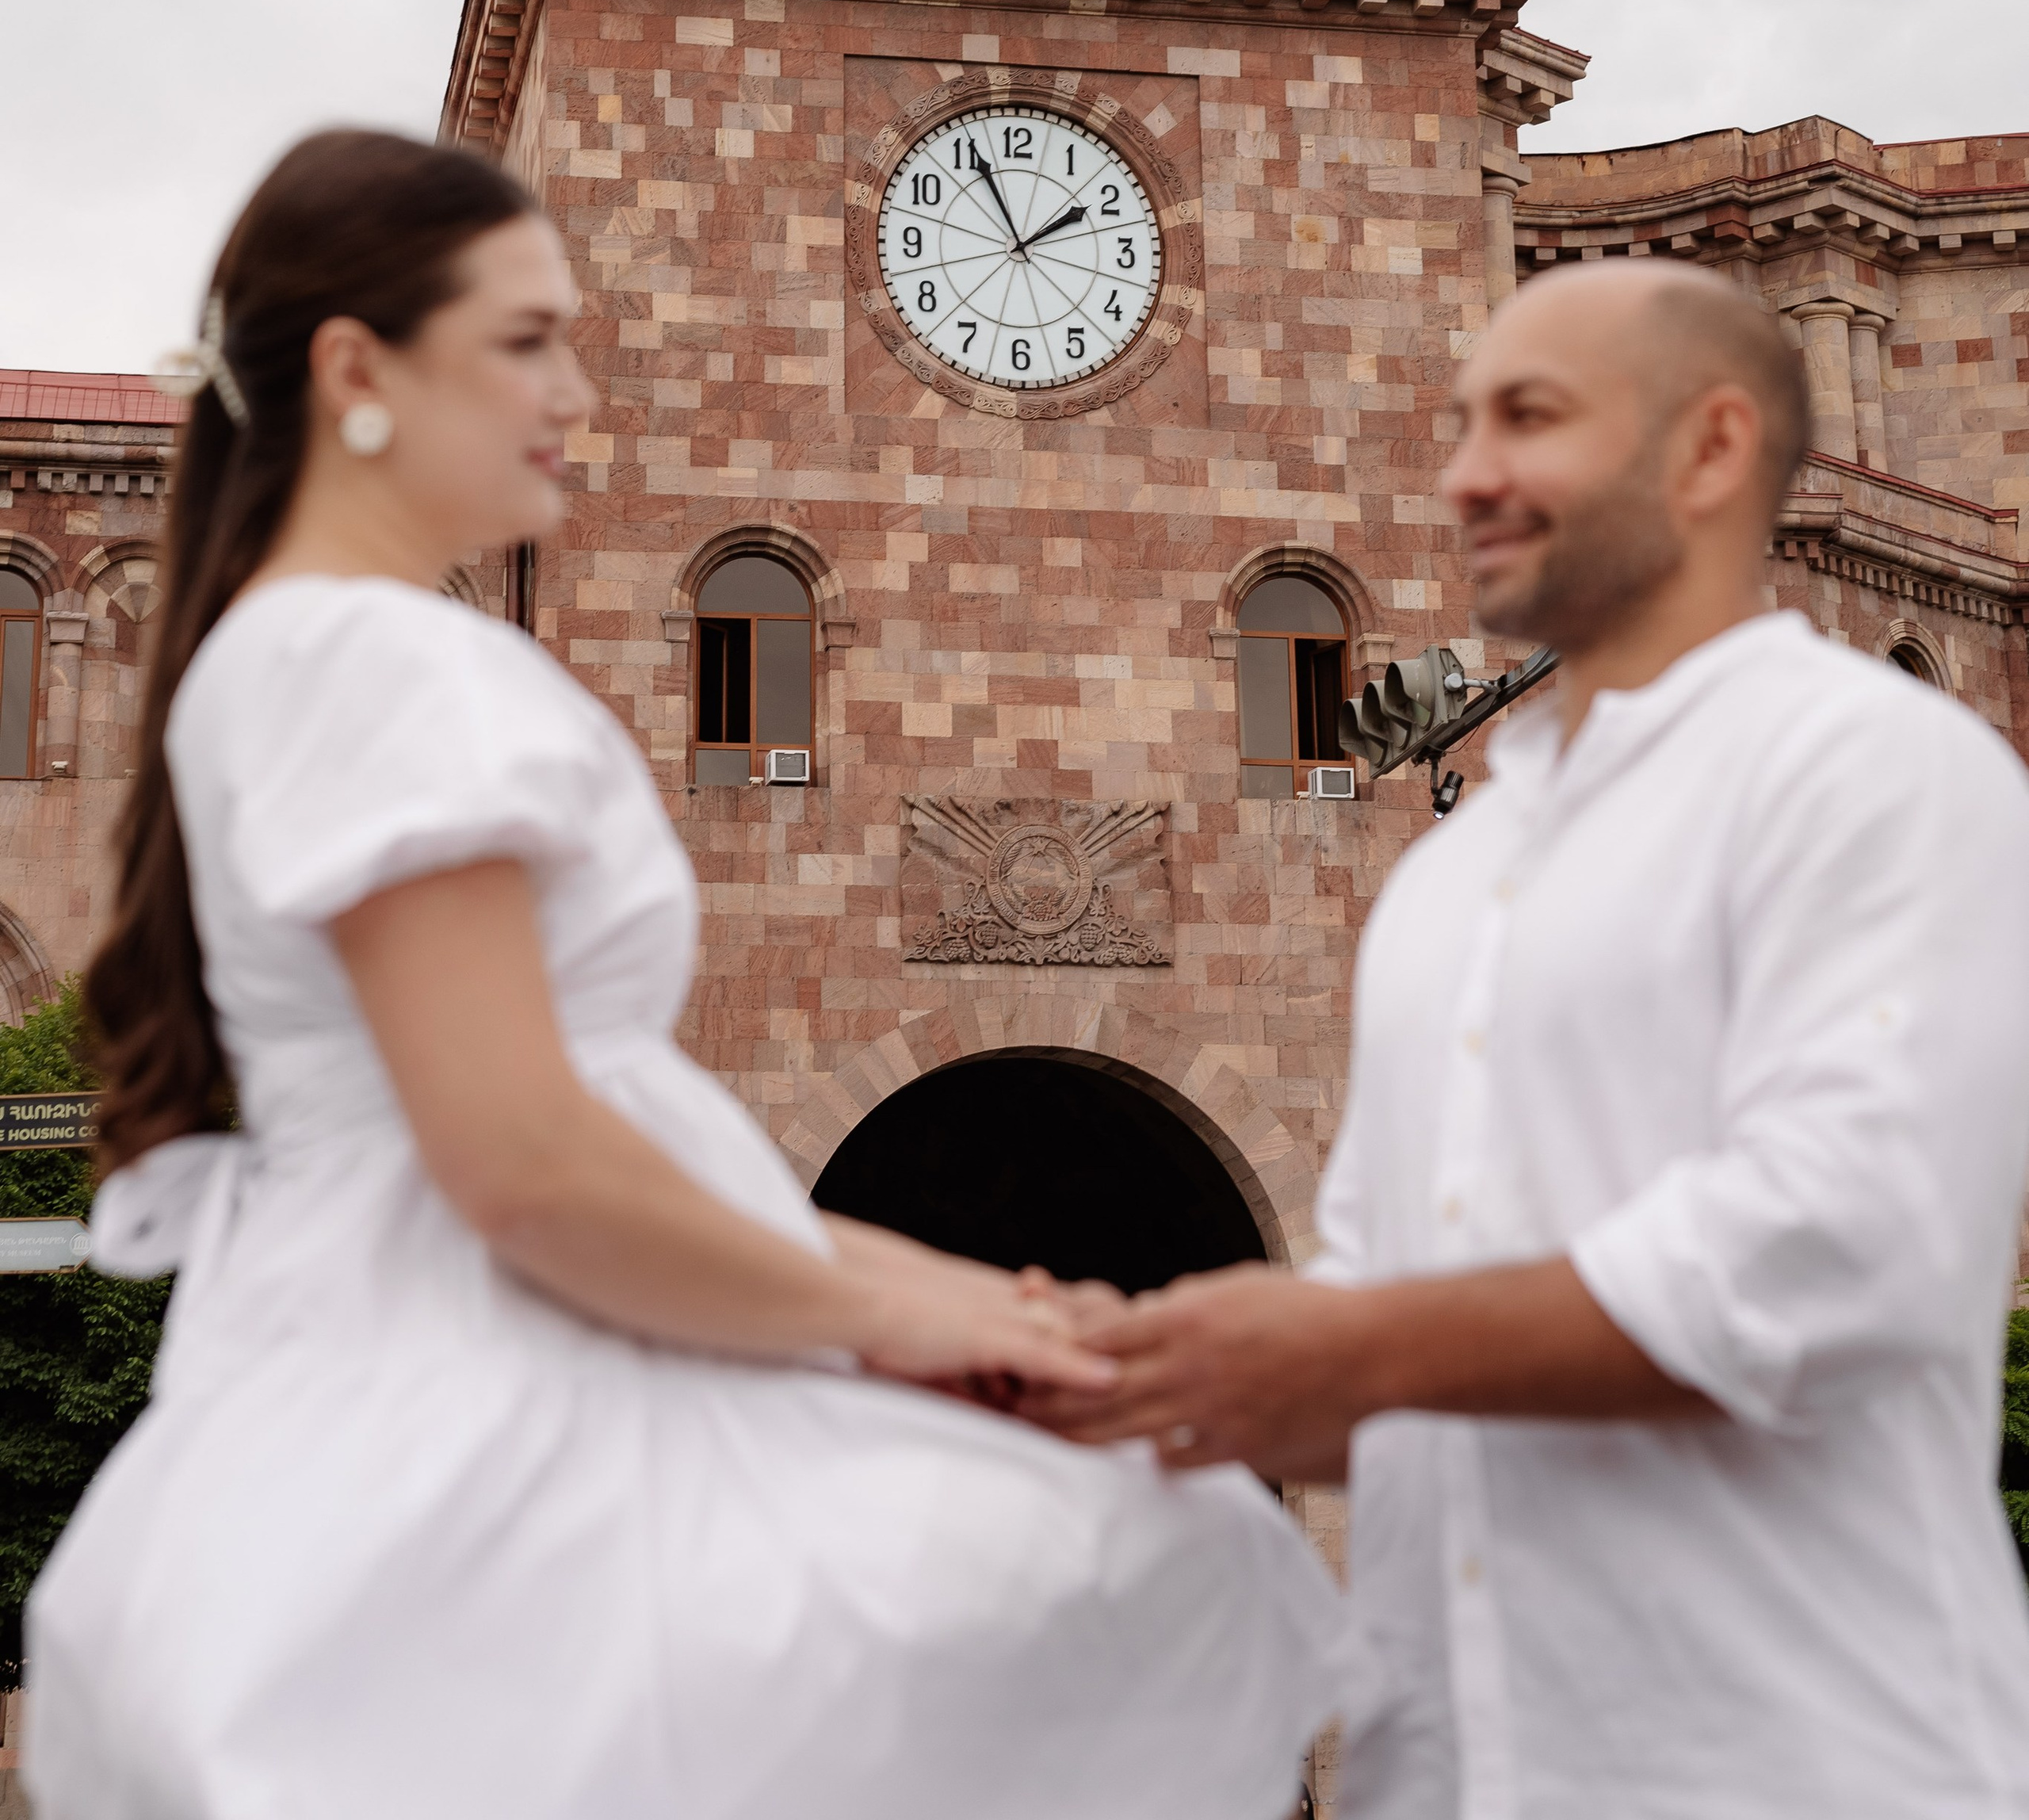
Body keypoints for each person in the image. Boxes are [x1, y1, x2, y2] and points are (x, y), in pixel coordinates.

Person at [26, 128, 1339, 1820]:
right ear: (357, 369)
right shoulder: (369, 660)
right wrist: (918, 1317)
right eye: (524, 341)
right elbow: (530, 1163)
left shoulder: (302, 653)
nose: (578, 385)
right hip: (500, 1407)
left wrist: (964, 1304)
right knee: (1133, 1548)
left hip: (432, 1389)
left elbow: (596, 1134)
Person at [1029, 259, 2029, 1818]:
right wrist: (1104, 1377)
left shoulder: (1873, 775)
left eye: (1528, 420)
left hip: (1794, 1765)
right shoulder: (1450, 878)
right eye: (1461, 425)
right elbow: (1375, 1301)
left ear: (1705, 451)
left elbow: (1845, 1250)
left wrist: (1338, 1344)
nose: (1465, 475)